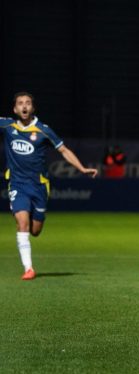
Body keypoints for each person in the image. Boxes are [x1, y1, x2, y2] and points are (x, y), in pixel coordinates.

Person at [1, 92, 98, 280]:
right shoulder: (7, 126)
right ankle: (29, 268)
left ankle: (33, 217)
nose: (24, 106)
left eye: (28, 103)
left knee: (35, 231)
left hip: (39, 186)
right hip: (17, 184)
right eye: (20, 103)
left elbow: (64, 150)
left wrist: (81, 168)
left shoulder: (43, 130)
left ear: (33, 108)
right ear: (15, 109)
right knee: (22, 223)